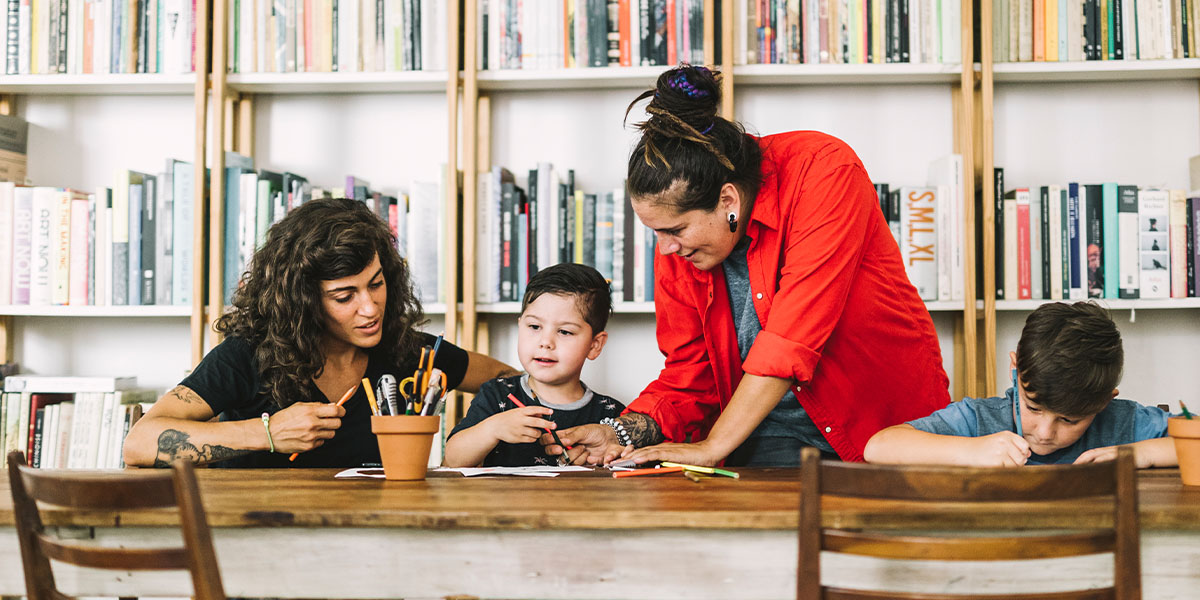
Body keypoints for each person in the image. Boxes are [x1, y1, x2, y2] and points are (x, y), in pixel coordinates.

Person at [547, 65, 950, 467]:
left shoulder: (823, 169)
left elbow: (790, 341)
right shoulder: (678, 242)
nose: (665, 249)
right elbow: (691, 373)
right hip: (770, 438)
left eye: (675, 230)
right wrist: (618, 431)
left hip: (886, 429)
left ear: (728, 201)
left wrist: (712, 446)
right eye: (656, 232)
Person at [123, 197, 518, 468]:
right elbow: (139, 442)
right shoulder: (250, 354)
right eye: (344, 296)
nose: (370, 307)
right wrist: (268, 433)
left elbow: (510, 381)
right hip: (257, 547)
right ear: (302, 301)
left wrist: (484, 432)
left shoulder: (407, 353)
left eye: (376, 284)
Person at [863, 301, 1176, 468]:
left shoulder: (1124, 425)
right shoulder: (979, 421)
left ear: (1104, 401)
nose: (1044, 432)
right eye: (1033, 407)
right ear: (1015, 370)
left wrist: (1142, 453)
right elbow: (879, 447)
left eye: (1069, 419)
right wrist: (970, 450)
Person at [444, 263, 624, 467]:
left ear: (594, 345)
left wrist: (607, 461)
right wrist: (492, 429)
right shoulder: (498, 395)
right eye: (534, 326)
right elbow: (452, 460)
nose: (545, 342)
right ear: (520, 325)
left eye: (564, 332)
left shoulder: (611, 415)